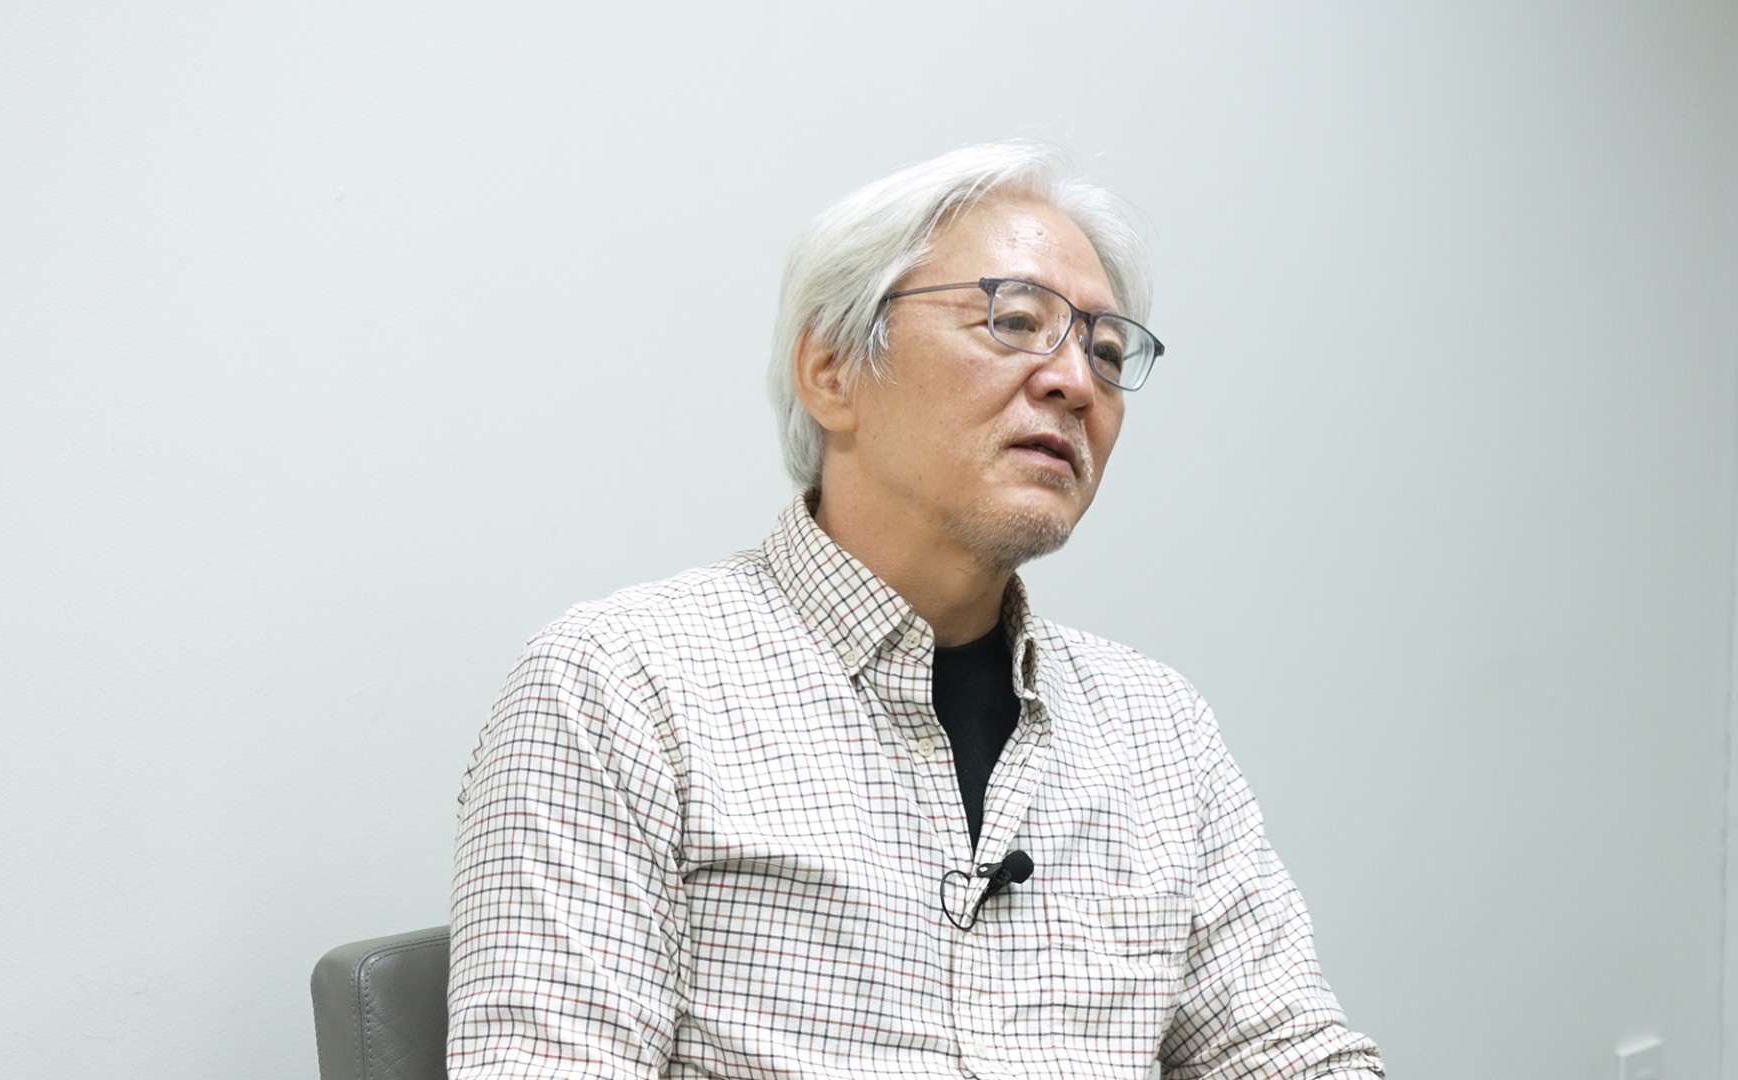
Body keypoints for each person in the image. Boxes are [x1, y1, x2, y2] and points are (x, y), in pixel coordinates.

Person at [447, 142, 1383, 1080]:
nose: (1075, 382)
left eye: (1105, 352)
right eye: (1015, 321)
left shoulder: (1158, 732)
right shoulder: (621, 686)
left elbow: (1292, 1056)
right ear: (832, 371)